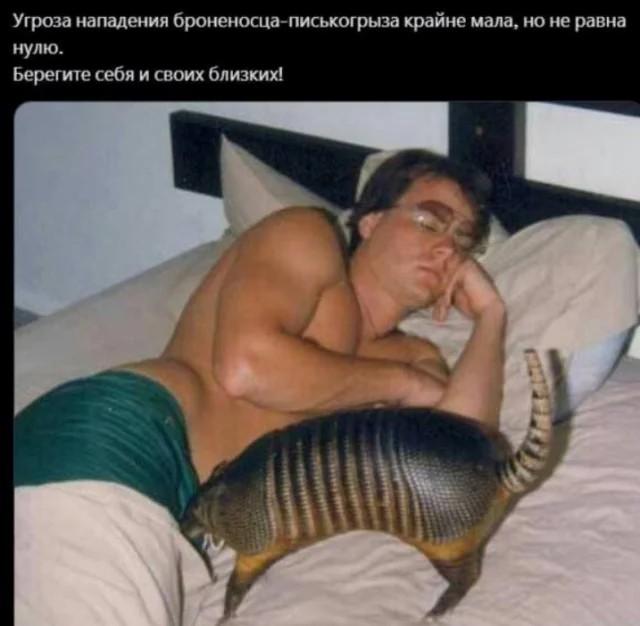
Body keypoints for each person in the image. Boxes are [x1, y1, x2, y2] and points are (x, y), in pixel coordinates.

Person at [14, 149, 506, 625]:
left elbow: (460, 458)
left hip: (184, 525)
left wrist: (490, 317)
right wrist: (404, 386)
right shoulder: (307, 236)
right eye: (430, 222)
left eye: (463, 239)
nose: (448, 248)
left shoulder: (413, 356)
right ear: (371, 222)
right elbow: (246, 368)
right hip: (124, 441)